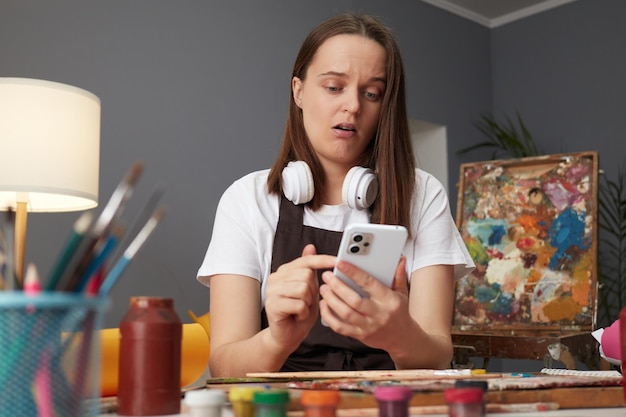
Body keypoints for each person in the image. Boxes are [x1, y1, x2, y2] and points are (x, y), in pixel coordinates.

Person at [197, 13, 474, 377]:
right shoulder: (246, 199)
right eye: (333, 87)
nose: (353, 106)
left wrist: (399, 335)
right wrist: (276, 339)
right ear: (298, 90)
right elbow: (223, 366)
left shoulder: (423, 195)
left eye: (372, 93)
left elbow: (438, 355)